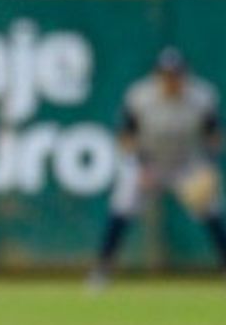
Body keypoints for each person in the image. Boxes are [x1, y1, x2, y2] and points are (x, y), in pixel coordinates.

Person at [89, 47, 226, 288]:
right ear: (157, 76)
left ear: (185, 75)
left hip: (187, 164)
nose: (171, 80)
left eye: (176, 74)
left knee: (211, 210)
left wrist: (209, 167)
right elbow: (125, 137)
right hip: (148, 161)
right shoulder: (140, 96)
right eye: (166, 75)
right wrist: (141, 165)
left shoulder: (202, 96)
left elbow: (213, 136)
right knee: (122, 206)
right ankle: (102, 270)